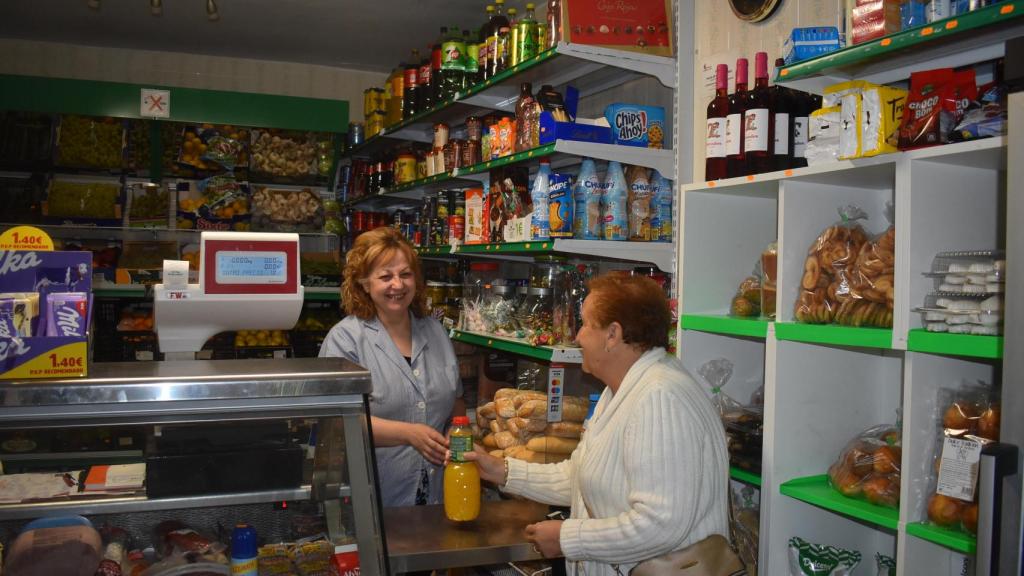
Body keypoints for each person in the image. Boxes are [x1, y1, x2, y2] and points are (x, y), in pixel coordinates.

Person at [465, 274, 730, 576]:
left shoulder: (660, 397)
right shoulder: (618, 390)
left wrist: (568, 538)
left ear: (613, 334)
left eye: (586, 324)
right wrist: (502, 471)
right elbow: (582, 476)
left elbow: (661, 524)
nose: (577, 336)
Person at [320, 226, 464, 507]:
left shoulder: (434, 331)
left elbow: (456, 400)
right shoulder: (346, 339)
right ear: (364, 282)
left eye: (405, 274)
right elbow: (335, 421)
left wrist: (456, 432)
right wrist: (409, 434)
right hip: (376, 496)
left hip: (439, 492)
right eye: (385, 276)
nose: (397, 285)